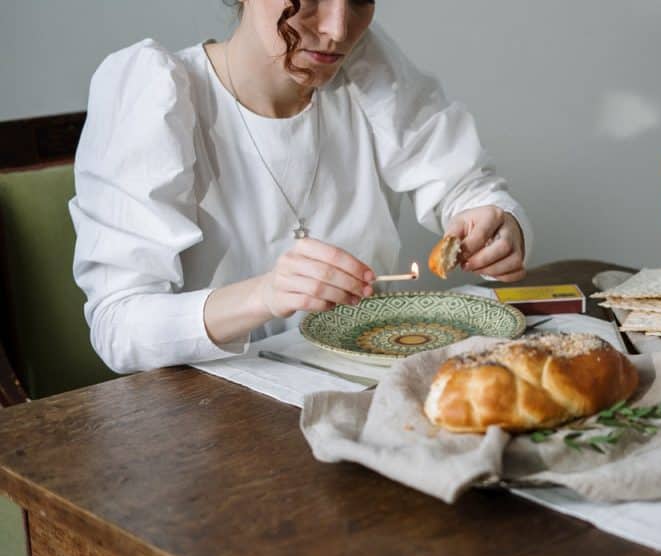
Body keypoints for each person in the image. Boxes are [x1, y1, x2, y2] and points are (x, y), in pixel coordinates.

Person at [70, 0, 532, 374]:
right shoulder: (154, 91)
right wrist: (263, 295)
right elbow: (118, 328)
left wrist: (498, 224)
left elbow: (467, 186)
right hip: (215, 423)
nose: (338, 28)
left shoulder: (366, 66)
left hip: (371, 390)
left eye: (360, 0)